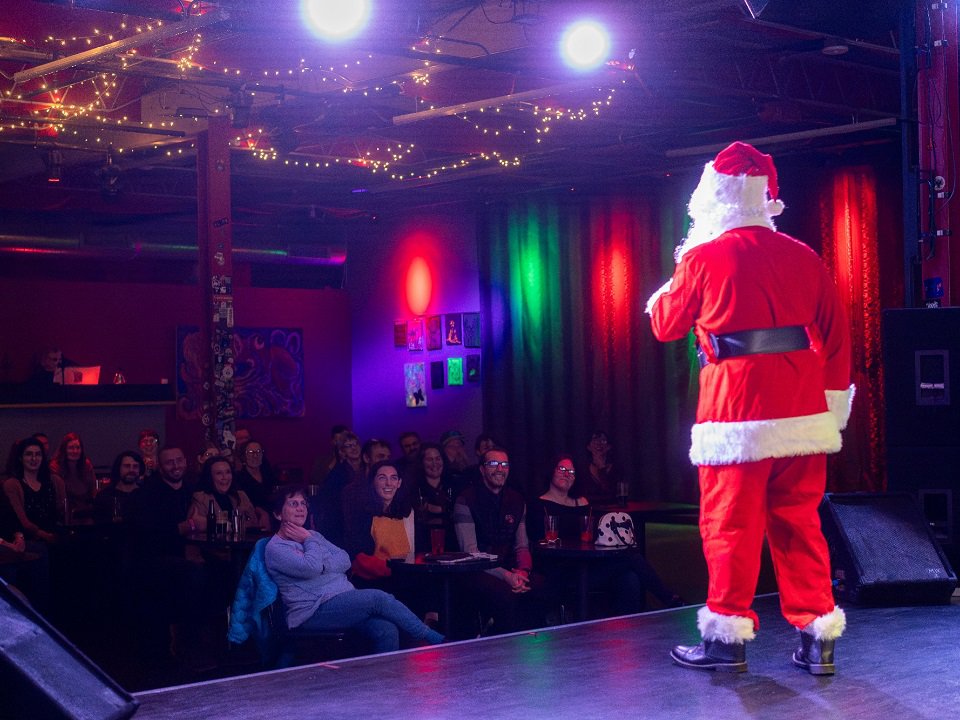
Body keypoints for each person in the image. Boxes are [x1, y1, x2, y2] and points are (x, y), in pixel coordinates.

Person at [646, 141, 853, 675]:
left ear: (714, 197)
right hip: (803, 417)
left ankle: (726, 640)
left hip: (735, 415)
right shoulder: (806, 256)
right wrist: (831, 406)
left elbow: (665, 323)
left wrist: (684, 258)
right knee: (800, 525)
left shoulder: (704, 255)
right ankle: (817, 637)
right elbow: (835, 338)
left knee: (730, 526)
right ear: (767, 199)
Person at [264, 486, 443, 653]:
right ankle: (432, 638)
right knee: (377, 598)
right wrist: (310, 543)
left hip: (343, 599)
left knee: (386, 629)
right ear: (278, 514)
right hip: (312, 611)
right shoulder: (276, 548)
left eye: (303, 503)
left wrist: (321, 561)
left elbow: (344, 559)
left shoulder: (314, 535)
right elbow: (311, 568)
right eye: (293, 504)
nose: (301, 508)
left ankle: (386, 683)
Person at [528, 454, 682, 614]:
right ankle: (670, 600)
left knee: (630, 577)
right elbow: (538, 542)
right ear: (551, 471)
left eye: (571, 472)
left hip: (588, 565)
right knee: (631, 558)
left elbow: (594, 536)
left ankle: (627, 631)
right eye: (562, 469)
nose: (567, 474)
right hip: (560, 571)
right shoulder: (539, 504)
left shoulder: (581, 502)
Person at [453, 446, 548, 635]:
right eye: (493, 464)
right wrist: (507, 576)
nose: (500, 469)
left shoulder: (517, 499)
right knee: (505, 595)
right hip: (475, 570)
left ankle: (535, 649)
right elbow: (471, 553)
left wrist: (523, 572)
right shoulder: (465, 500)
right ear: (482, 469)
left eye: (504, 464)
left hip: (509, 567)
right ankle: (503, 651)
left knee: (540, 586)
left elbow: (522, 546)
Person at [341, 461, 415, 592]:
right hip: (372, 582)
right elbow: (360, 559)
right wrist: (396, 569)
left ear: (399, 483)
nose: (388, 483)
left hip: (407, 578)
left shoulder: (408, 513)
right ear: (373, 482)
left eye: (393, 478)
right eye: (382, 478)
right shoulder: (361, 515)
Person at [2, 436, 64, 543]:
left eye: (38, 454)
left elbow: (62, 510)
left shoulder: (54, 481)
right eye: (29, 454)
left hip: (56, 532)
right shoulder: (13, 484)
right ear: (20, 458)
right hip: (29, 538)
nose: (34, 459)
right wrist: (44, 535)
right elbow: (22, 521)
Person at [187, 457, 269, 534]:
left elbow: (254, 524)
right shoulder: (200, 498)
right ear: (210, 477)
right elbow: (199, 528)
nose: (225, 477)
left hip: (242, 547)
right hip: (214, 548)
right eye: (219, 473)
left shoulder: (241, 496)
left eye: (228, 472)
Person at [49, 432, 98, 523]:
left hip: (86, 512)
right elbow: (58, 498)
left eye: (78, 448)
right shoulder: (55, 467)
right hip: (64, 514)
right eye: (71, 448)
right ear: (64, 449)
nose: (75, 451)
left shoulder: (86, 465)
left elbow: (93, 489)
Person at [93, 451, 145, 525]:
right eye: (127, 466)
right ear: (118, 468)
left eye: (135, 466)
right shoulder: (104, 497)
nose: (131, 470)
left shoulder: (146, 495)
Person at [578, 430, 621, 505]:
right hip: (588, 510)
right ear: (588, 447)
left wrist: (602, 469)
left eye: (603, 440)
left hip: (612, 511)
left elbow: (614, 493)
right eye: (595, 440)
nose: (599, 443)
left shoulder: (617, 468)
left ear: (609, 446)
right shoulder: (582, 469)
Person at [235, 440, 276, 512]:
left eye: (258, 452)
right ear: (244, 456)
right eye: (251, 452)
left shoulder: (268, 474)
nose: (255, 456)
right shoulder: (239, 478)